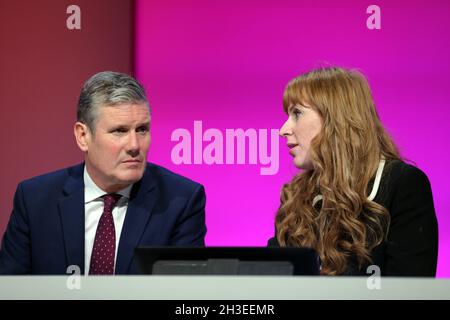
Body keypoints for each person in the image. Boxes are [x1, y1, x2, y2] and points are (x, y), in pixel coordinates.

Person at [0, 71, 207, 275]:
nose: (134, 145)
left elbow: (184, 295)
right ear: (83, 136)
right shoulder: (35, 200)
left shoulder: (180, 201)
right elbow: (9, 289)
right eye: (119, 131)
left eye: (142, 129)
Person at [269, 66, 438, 276]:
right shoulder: (294, 196)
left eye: (297, 113)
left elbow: (410, 292)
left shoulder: (402, 185)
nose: (283, 130)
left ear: (335, 118)